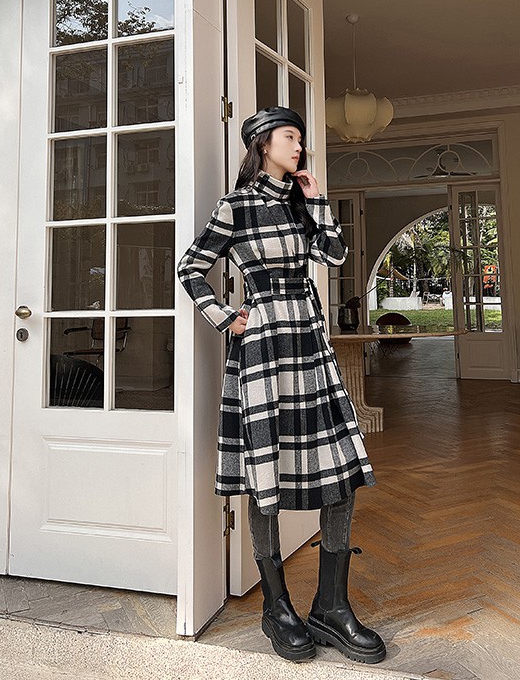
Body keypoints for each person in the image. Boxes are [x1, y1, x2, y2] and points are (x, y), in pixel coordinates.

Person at [177, 106, 386, 665]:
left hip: (309, 343)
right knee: (263, 472)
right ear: (263, 143)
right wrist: (227, 316)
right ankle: (277, 609)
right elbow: (190, 267)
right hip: (264, 344)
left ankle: (331, 606)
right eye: (290, 137)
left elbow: (334, 256)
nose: (299, 146)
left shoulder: (301, 202)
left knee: (340, 469)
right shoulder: (236, 206)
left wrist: (316, 200)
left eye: (300, 138)